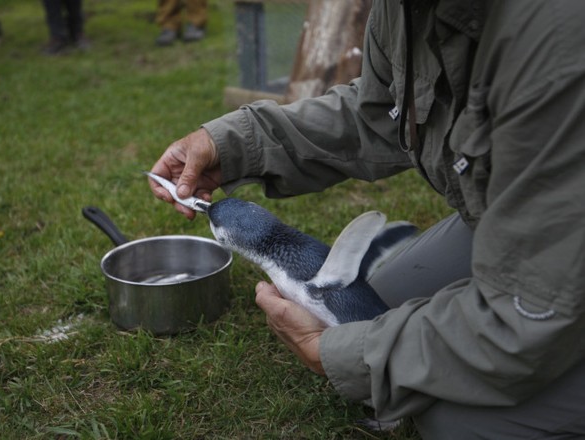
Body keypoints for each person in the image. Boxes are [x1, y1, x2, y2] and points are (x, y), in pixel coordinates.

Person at [149, 0, 585, 438]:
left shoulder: (554, 40)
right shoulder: (404, 10)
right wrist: (237, 145)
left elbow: (531, 313)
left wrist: (336, 355)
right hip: (515, 217)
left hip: (559, 253)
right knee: (378, 304)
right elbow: (380, 111)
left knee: (456, 418)